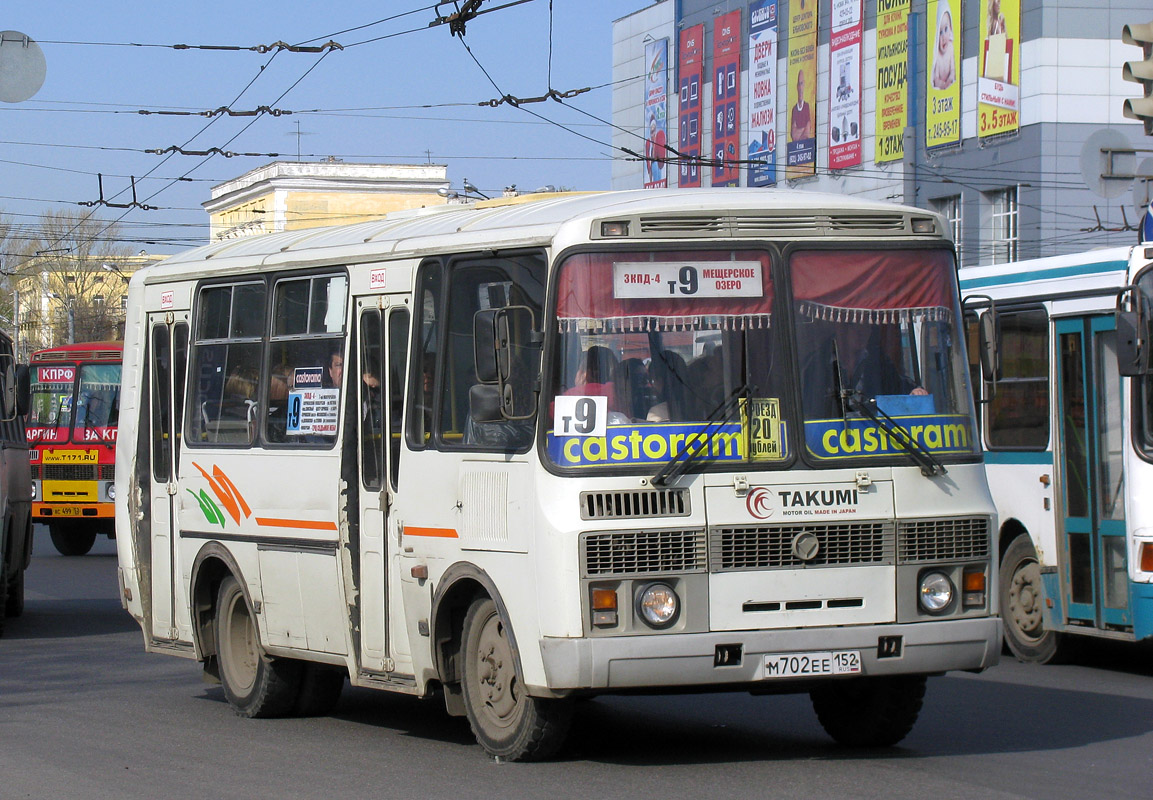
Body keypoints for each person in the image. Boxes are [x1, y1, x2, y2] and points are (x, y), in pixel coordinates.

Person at [646, 350, 688, 422]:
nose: (652, 387)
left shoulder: (656, 413)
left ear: (662, 381)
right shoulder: (701, 408)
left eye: (653, 380)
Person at [932, 4, 956, 91]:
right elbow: (935, 78)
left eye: (946, 29)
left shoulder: (951, 48)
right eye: (940, 32)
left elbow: (953, 70)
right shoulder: (937, 56)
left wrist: (950, 80)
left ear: (950, 28)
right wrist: (943, 85)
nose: (943, 36)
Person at [789, 70, 813, 142]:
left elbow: (807, 133)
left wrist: (799, 131)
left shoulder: (807, 106)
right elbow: (794, 135)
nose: (800, 87)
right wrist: (803, 129)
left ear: (804, 85)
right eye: (799, 84)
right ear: (797, 86)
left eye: (801, 83)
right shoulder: (794, 109)